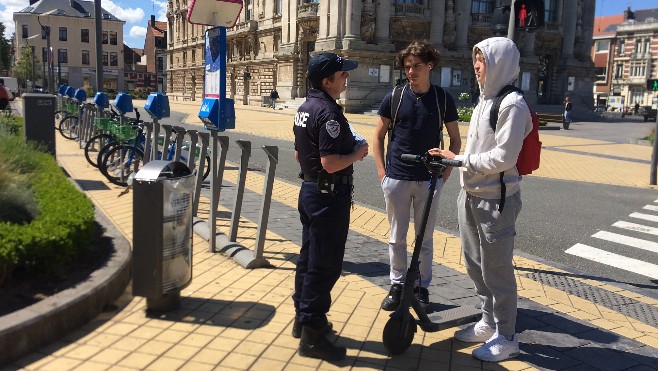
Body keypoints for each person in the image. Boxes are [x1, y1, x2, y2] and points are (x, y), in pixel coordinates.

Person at [429, 37, 531, 362]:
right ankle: (488, 322)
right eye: (475, 60)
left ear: (498, 63)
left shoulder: (513, 104)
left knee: (497, 270)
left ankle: (507, 336)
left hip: (496, 202)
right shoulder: (485, 100)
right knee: (475, 265)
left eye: (482, 60)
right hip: (471, 195)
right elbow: (476, 148)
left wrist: (458, 161)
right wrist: (456, 159)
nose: (476, 67)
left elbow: (504, 156)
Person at [373, 41, 461, 312]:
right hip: (397, 177)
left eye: (417, 66)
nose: (411, 71)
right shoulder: (395, 97)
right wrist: (382, 174)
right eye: (408, 67)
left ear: (430, 66)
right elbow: (377, 136)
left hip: (429, 179)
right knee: (396, 237)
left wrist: (444, 174)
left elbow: (455, 140)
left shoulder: (442, 98)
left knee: (424, 239)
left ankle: (422, 288)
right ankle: (398, 285)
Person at [292, 52, 369, 361]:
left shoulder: (305, 108)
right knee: (324, 265)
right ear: (327, 81)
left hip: (310, 191)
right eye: (342, 75)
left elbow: (300, 155)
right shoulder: (329, 113)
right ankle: (311, 335)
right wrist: (357, 153)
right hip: (328, 197)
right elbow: (330, 162)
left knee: (309, 257)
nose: (346, 78)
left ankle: (304, 318)